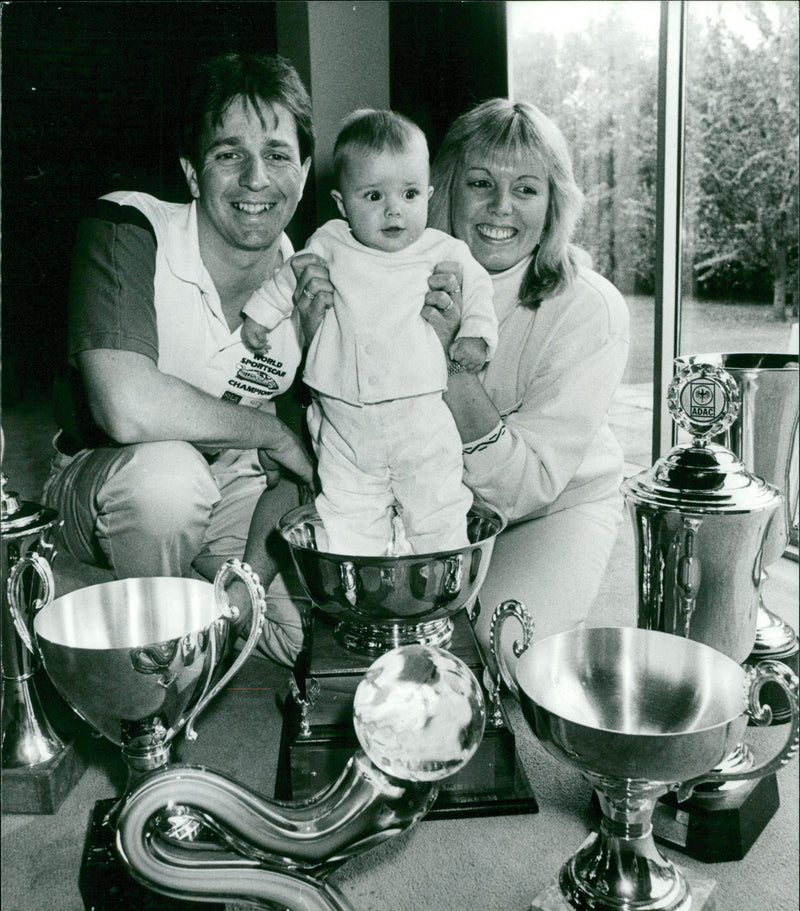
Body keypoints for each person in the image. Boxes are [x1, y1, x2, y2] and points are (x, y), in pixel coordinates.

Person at [293, 98, 629, 666]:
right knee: (306, 621)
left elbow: (524, 488)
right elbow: (339, 419)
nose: (501, 207)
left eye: (526, 189)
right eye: (480, 183)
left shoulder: (590, 307)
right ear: (441, 188)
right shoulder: (375, 260)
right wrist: (314, 335)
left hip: (547, 506)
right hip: (405, 480)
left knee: (496, 646)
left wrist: (450, 361)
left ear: (553, 205)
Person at [42, 52, 317, 666]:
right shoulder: (129, 225)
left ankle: (171, 597)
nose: (255, 179)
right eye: (229, 154)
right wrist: (266, 430)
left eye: (277, 154)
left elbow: (297, 469)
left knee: (300, 636)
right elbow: (125, 406)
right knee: (168, 483)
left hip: (228, 481)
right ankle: (135, 639)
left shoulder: (312, 284)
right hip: (108, 479)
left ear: (303, 169)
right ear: (194, 174)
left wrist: (247, 582)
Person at [240, 108, 497, 556]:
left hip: (418, 410)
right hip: (344, 415)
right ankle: (359, 581)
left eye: (410, 193)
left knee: (436, 501)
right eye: (374, 196)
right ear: (343, 204)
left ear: (428, 196)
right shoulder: (330, 241)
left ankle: (443, 572)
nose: (394, 209)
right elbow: (291, 277)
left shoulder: (443, 249)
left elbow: (477, 290)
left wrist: (473, 334)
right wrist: (260, 316)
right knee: (346, 506)